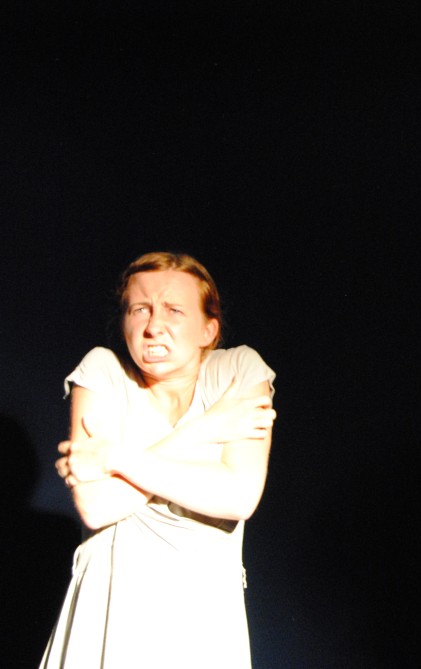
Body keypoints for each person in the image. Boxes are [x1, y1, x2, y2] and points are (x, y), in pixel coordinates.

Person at [43, 251, 277, 668]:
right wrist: (205, 429)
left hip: (200, 618)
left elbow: (239, 496)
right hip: (108, 609)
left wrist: (114, 458)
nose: (153, 326)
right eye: (140, 309)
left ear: (209, 328)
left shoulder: (237, 370)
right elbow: (97, 506)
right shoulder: (103, 371)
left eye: (173, 310)